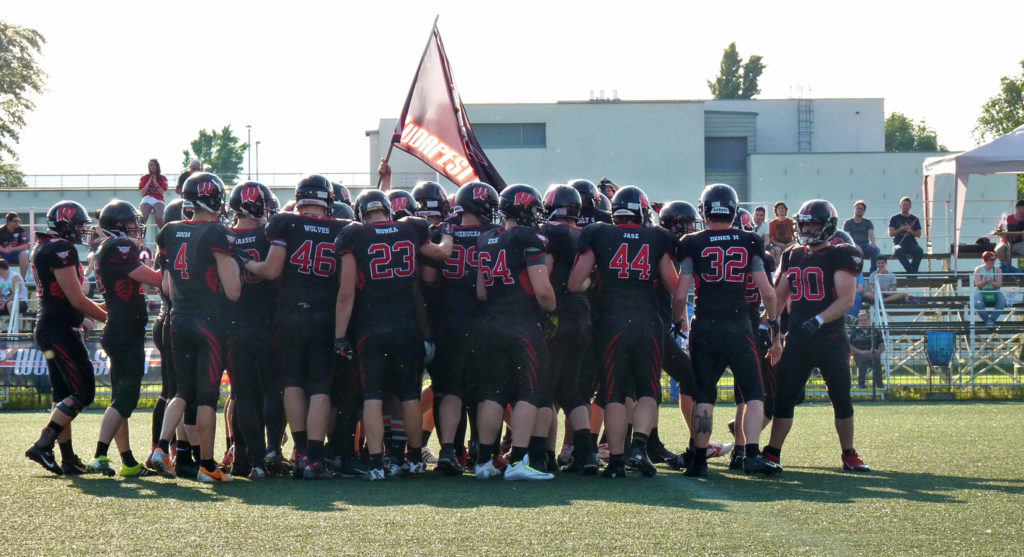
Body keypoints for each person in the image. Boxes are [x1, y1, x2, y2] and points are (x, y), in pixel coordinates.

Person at [240, 175, 347, 480]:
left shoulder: (284, 222)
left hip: (288, 315)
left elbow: (271, 270)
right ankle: (314, 458)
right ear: (327, 200)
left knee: (293, 383)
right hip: (324, 316)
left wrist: (246, 262)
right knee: (320, 388)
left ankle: (300, 453)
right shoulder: (342, 227)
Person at [569, 185, 679, 478]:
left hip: (611, 322)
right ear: (642, 212)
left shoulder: (598, 233)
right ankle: (639, 446)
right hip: (647, 321)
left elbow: (575, 283)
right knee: (648, 389)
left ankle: (616, 462)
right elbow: (673, 285)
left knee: (614, 392)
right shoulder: (657, 237)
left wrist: (595, 281)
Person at [673, 183, 781, 477]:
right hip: (738, 324)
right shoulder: (749, 241)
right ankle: (751, 455)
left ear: (704, 210)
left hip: (705, 325)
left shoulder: (691, 242)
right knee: (754, 393)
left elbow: (680, 295)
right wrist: (773, 324)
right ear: (734, 210)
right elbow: (768, 293)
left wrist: (676, 321)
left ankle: (699, 460)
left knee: (704, 395)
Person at [765, 198, 870, 473]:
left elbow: (847, 300)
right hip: (798, 338)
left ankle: (848, 453)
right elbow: (778, 296)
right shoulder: (792, 254)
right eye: (804, 224)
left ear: (828, 226)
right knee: (785, 396)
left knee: (841, 396)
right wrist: (769, 326)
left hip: (830, 339)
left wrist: (819, 320)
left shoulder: (842, 253)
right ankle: (772, 452)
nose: (807, 229)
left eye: (813, 224)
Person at [151, 172, 241, 482]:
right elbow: (233, 291)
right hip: (209, 322)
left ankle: (161, 448)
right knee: (206, 398)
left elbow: (168, 286)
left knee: (181, 392)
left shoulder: (170, 231)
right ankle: (206, 464)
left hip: (178, 318)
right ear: (214, 199)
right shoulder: (217, 232)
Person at [475, 184, 557, 481]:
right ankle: (518, 461)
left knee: (493, 393)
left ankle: (483, 462)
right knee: (529, 392)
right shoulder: (528, 237)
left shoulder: (486, 238)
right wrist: (551, 311)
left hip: (491, 324)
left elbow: (482, 292)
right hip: (521, 324)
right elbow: (543, 290)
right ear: (525, 211)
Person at [24, 201, 108, 475]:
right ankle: (43, 444)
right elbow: (76, 298)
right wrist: (109, 318)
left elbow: (72, 299)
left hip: (52, 326)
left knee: (62, 395)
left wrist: (108, 308)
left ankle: (68, 458)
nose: (82, 230)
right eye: (79, 224)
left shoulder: (46, 246)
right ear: (65, 224)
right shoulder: (61, 248)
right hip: (59, 329)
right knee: (84, 392)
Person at [423, 181, 501, 475]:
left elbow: (429, 277)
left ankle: (448, 450)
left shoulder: (442, 232)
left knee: (450, 390)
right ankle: (482, 451)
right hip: (485, 321)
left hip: (449, 321)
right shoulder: (496, 234)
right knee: (484, 390)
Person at [87, 200, 164, 477]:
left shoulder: (107, 247)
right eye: (131, 221)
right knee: (125, 399)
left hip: (120, 328)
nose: (136, 226)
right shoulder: (118, 246)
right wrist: (172, 260)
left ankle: (128, 461)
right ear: (118, 224)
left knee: (120, 399)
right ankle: (99, 455)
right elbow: (154, 279)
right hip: (124, 331)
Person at [849, 312, 885, 389]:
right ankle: (861, 383)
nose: (863, 322)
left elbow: (882, 345)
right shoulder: (854, 332)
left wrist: (878, 351)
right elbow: (850, 347)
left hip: (873, 354)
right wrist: (861, 352)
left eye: (865, 320)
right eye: (861, 320)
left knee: (876, 356)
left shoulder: (876, 331)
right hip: (859, 355)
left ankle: (879, 383)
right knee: (864, 356)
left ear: (869, 320)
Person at [888, 196, 923, 273]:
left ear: (910, 206)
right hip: (898, 243)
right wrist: (901, 229)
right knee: (899, 251)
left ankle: (911, 274)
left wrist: (909, 230)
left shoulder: (915, 219)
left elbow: (918, 234)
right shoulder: (894, 218)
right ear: (900, 206)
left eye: (907, 205)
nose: (905, 206)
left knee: (919, 251)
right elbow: (891, 234)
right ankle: (912, 274)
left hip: (912, 243)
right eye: (903, 205)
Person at [843, 200, 880, 273]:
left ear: (864, 211)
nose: (859, 210)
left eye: (861, 209)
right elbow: (847, 238)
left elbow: (871, 234)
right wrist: (856, 246)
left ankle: (873, 273)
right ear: (854, 209)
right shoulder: (848, 222)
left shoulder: (868, 222)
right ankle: (850, 272)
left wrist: (873, 243)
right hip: (852, 246)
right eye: (858, 208)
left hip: (865, 245)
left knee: (876, 250)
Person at [973, 250, 1006, 327]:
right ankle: (988, 321)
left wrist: (992, 282)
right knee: (977, 304)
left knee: (1002, 302)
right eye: (991, 260)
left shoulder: (998, 270)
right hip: (981, 291)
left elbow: (999, 285)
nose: (994, 261)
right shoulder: (978, 269)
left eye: (994, 259)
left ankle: (991, 321)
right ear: (985, 260)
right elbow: (978, 285)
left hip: (994, 290)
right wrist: (984, 281)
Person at [138, 158, 168, 230]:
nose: (153, 166)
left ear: (158, 166)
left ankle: (164, 232)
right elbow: (142, 193)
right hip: (147, 198)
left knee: (158, 216)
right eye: (151, 165)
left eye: (155, 165)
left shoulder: (163, 178)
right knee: (143, 217)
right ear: (149, 167)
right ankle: (139, 234)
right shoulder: (144, 178)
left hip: (158, 199)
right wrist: (148, 182)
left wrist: (155, 182)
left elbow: (162, 192)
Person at [1, 212, 31, 278]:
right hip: (4, 254)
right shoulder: (1, 230)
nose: (17, 223)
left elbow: (25, 246)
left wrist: (13, 249)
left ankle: (22, 279)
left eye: (18, 221)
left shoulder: (22, 230)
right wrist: (4, 250)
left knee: (25, 253)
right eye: (15, 221)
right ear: (8, 222)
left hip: (17, 254)